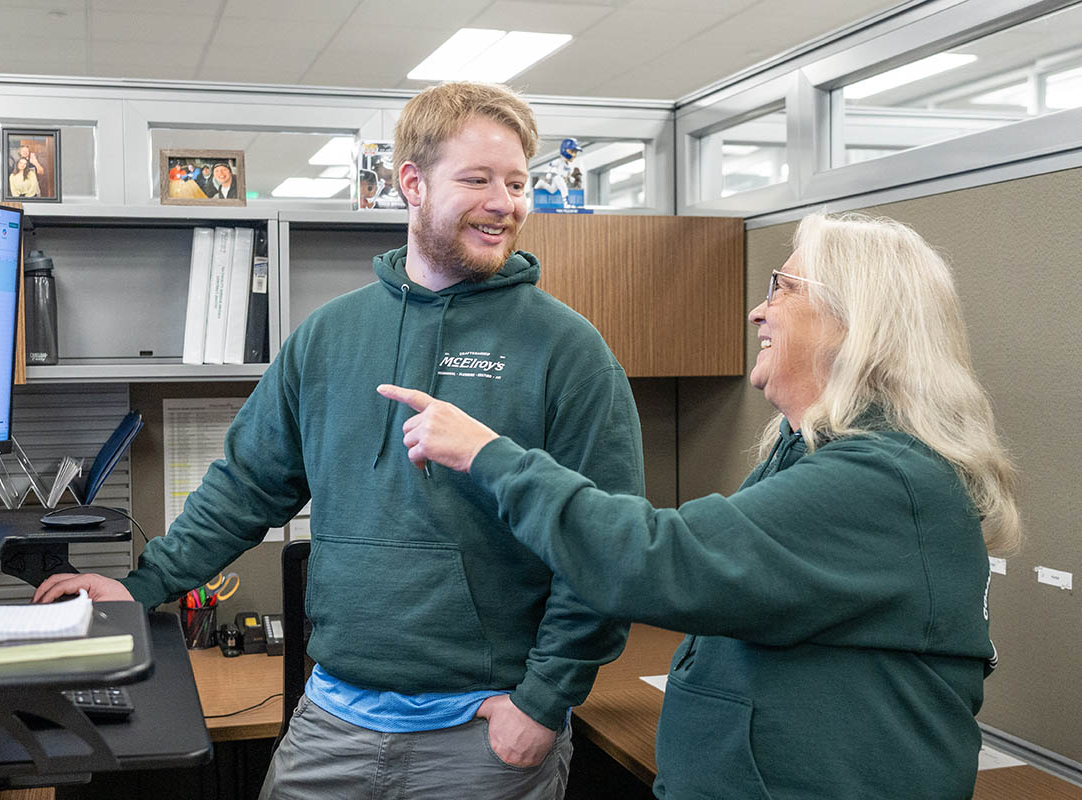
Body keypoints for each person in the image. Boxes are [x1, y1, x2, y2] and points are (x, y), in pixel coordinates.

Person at [33, 81, 645, 799]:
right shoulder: (329, 336)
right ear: (411, 183)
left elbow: (607, 548)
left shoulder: (567, 350)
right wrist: (141, 587)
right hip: (333, 719)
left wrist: (545, 700)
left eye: (517, 182)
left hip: (484, 734)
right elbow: (246, 486)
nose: (504, 202)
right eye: (477, 179)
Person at [379, 211, 1022, 800]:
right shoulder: (813, 455)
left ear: (855, 320)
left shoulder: (884, 479)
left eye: (783, 288)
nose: (757, 312)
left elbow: (651, 560)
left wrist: (488, 454)